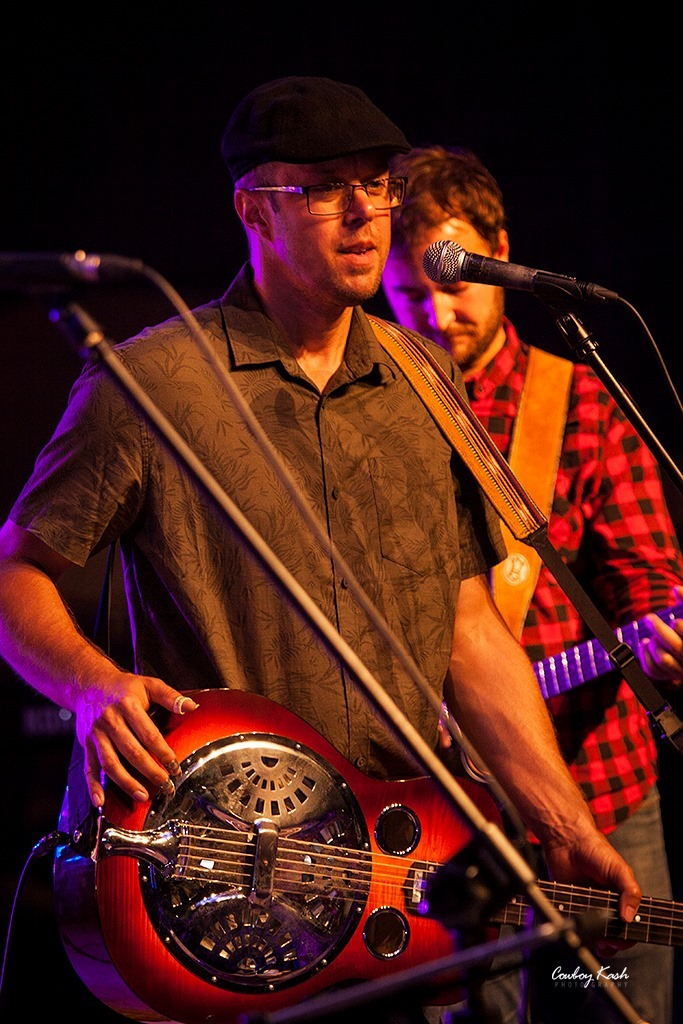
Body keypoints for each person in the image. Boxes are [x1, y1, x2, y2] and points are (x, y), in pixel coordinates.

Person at [0, 78, 653, 1024]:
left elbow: (470, 629)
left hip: (394, 885)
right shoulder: (151, 381)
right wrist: (90, 684)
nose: (362, 213)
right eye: (321, 189)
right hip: (218, 890)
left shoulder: (425, 379)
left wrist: (563, 823)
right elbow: (17, 572)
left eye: (376, 184)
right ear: (252, 210)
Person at [381, 144, 683, 1024]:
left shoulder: (580, 403)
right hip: (432, 810)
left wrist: (662, 644)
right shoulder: (375, 414)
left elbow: (646, 584)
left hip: (597, 785)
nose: (438, 314)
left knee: (615, 1007)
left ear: (500, 252)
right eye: (410, 294)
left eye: (456, 285)